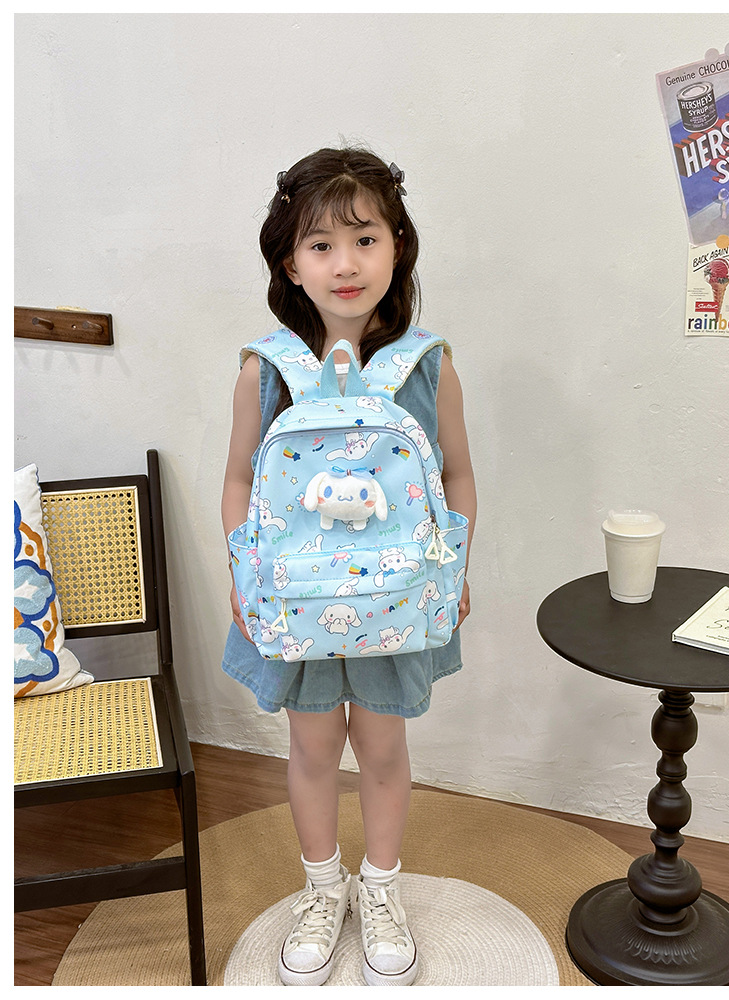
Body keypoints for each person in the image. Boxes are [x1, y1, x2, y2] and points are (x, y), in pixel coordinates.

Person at [221, 146, 476, 987]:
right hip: (294, 598)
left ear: (398, 248)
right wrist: (242, 574)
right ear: (289, 263)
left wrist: (453, 566)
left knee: (384, 746)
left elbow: (457, 475)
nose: (346, 264)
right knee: (310, 747)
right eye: (321, 244)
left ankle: (381, 889)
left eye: (365, 239)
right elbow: (238, 481)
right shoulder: (265, 369)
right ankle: (322, 889)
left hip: (398, 595)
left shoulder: (427, 364)